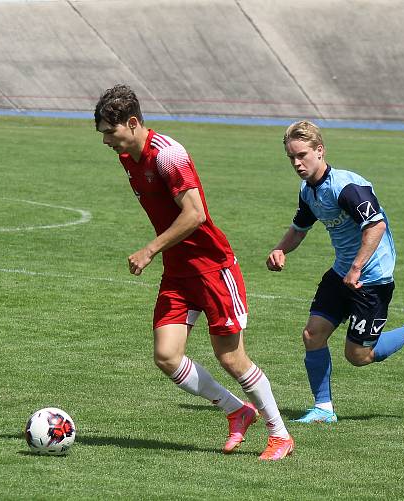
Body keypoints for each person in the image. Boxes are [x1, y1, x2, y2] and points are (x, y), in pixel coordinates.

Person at [95, 84, 294, 460]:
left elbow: (196, 213)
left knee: (231, 358)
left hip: (213, 269)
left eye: (110, 131)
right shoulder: (128, 157)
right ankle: (236, 410)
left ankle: (280, 434)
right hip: (178, 272)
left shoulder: (169, 155)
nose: (105, 140)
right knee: (167, 356)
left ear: (133, 122)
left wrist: (150, 249)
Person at [266, 120, 404, 424]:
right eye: (291, 157)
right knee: (312, 334)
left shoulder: (347, 187)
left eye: (302, 155)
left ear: (320, 151)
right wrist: (280, 249)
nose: (296, 163)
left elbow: (376, 225)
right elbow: (299, 228)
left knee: (358, 356)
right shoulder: (308, 190)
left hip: (371, 279)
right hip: (343, 272)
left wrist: (357, 268)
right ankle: (324, 409)